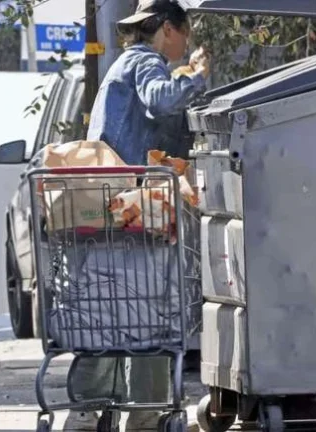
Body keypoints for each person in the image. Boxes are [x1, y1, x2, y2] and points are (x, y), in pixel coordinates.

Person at [63, 0, 209, 431]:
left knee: (109, 312)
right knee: (144, 312)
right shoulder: (145, 61)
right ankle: (142, 415)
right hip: (129, 210)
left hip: (116, 207)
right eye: (185, 32)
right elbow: (161, 100)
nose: (187, 43)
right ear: (167, 28)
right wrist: (197, 77)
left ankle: (91, 412)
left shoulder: (127, 62)